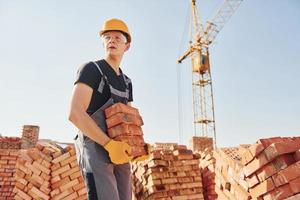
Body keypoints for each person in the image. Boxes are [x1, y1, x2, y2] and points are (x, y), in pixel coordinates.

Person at [68, 18, 142, 200]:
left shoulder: (127, 82)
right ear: (102, 42)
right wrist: (108, 144)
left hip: (120, 152)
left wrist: (137, 146)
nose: (112, 40)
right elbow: (75, 113)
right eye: (107, 37)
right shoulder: (91, 69)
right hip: (96, 148)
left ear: (127, 46)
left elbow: (128, 121)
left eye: (118, 37)